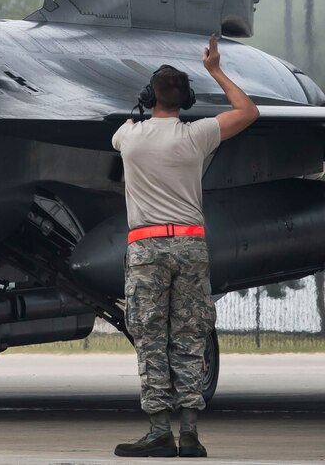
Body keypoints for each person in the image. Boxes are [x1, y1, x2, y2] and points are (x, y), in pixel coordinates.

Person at [112, 33, 259, 458]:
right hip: (191, 247)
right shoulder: (198, 136)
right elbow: (248, 111)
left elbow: (121, 132)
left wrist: (137, 114)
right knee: (191, 336)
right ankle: (190, 433)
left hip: (146, 249)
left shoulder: (130, 138)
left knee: (151, 337)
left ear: (149, 96)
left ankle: (159, 431)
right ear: (187, 100)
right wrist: (215, 69)